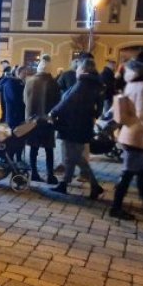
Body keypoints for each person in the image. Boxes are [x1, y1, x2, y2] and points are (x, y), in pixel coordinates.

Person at [110, 59, 143, 219]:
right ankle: (116, 207)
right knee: (129, 172)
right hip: (138, 135)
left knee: (141, 171)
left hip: (130, 131)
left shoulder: (131, 84)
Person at [49, 58, 104, 200]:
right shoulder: (95, 84)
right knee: (74, 157)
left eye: (78, 68)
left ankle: (94, 185)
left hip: (72, 125)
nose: (76, 71)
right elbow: (99, 108)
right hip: (82, 125)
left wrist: (53, 113)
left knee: (73, 156)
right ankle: (65, 183)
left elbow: (67, 101)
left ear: (84, 70)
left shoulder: (83, 83)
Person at [23, 57, 60, 184]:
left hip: (32, 120)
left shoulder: (29, 81)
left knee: (34, 147)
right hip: (47, 120)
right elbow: (57, 103)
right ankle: (50, 175)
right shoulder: (53, 83)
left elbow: (25, 100)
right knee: (49, 149)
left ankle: (34, 172)